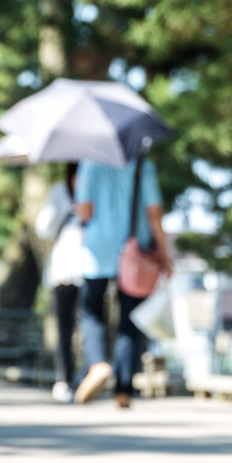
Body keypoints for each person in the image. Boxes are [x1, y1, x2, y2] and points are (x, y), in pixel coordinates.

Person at [74, 155, 171, 407]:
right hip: (134, 251)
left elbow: (84, 210)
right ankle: (123, 389)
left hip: (97, 249)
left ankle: (98, 364)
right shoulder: (142, 164)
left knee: (91, 311)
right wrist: (165, 252)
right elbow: (154, 212)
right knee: (129, 318)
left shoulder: (90, 162)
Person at [35, 164, 84, 403]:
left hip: (74, 266)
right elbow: (43, 228)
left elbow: (43, 228)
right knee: (70, 325)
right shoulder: (62, 191)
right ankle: (68, 377)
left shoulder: (60, 191)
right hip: (74, 267)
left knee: (77, 325)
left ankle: (75, 377)